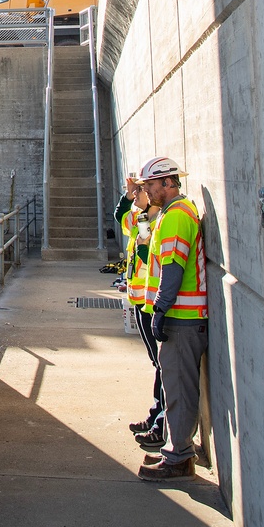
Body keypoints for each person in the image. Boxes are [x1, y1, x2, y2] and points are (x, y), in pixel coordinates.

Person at [135, 156, 207, 481]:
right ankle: (179, 451)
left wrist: (160, 311)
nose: (146, 192)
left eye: (150, 185)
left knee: (177, 388)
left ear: (168, 183)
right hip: (183, 317)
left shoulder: (176, 217)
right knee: (177, 386)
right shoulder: (171, 214)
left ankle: (178, 458)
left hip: (181, 318)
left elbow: (173, 270)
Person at [114, 176, 164, 444]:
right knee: (158, 364)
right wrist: (129, 196)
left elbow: (146, 254)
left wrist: (142, 212)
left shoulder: (152, 222)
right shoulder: (141, 218)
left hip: (152, 302)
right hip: (140, 299)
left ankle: (160, 421)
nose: (141, 194)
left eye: (145, 190)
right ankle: (156, 414)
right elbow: (120, 215)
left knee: (161, 365)